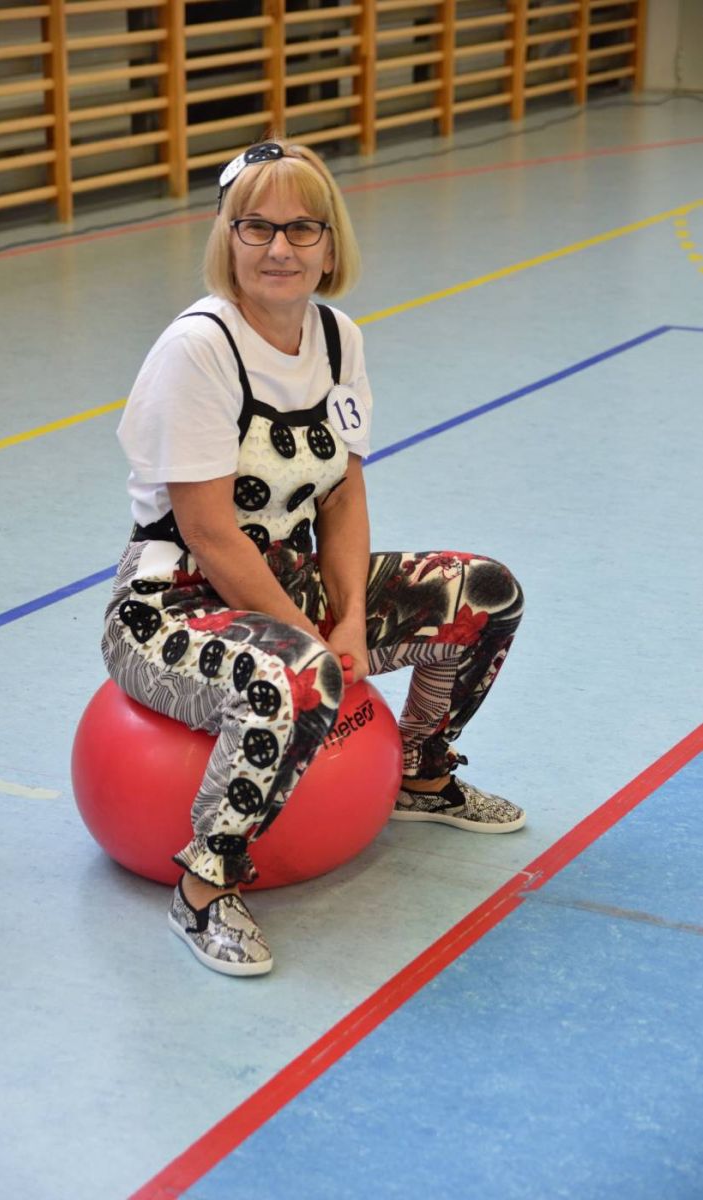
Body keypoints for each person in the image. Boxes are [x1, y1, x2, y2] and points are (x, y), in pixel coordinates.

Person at [102, 139, 525, 978]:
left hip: (287, 581)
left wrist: (354, 618)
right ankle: (203, 886)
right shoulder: (198, 349)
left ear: (330, 245)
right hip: (173, 605)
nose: (280, 248)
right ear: (226, 238)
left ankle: (419, 775)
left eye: (302, 228)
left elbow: (341, 496)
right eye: (255, 227)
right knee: (298, 676)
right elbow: (211, 534)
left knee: (483, 593)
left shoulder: (337, 337)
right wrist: (312, 637)